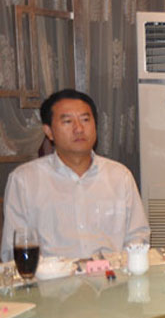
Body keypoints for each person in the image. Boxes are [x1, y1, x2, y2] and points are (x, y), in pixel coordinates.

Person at [1, 89, 150, 261]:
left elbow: (137, 236)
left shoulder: (120, 176)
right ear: (49, 131)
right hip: (52, 276)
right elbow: (14, 250)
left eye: (85, 120)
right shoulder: (24, 180)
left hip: (111, 274)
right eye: (67, 121)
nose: (79, 129)